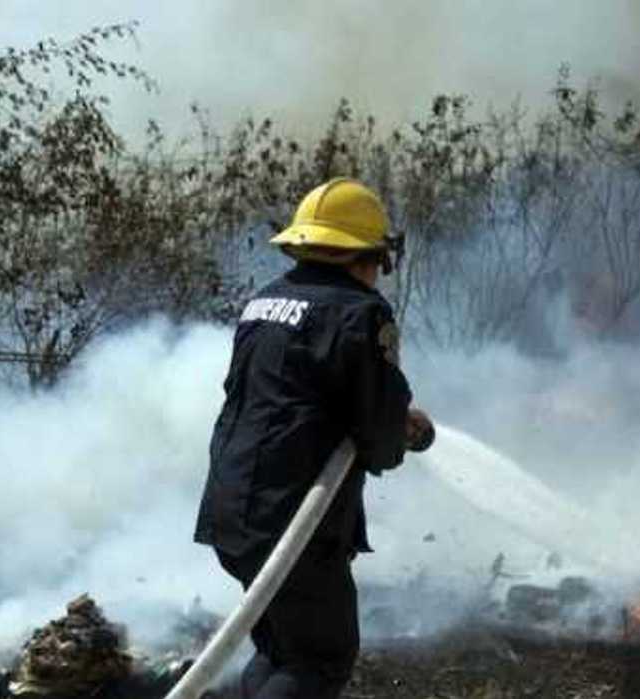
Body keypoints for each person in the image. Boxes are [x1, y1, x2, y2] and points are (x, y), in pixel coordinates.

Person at [194, 177, 435, 699]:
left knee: (282, 652)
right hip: (291, 523)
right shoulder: (359, 313)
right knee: (319, 661)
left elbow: (296, 395)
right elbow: (377, 440)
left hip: (233, 510)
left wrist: (391, 414)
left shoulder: (265, 302)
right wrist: (404, 432)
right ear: (366, 255)